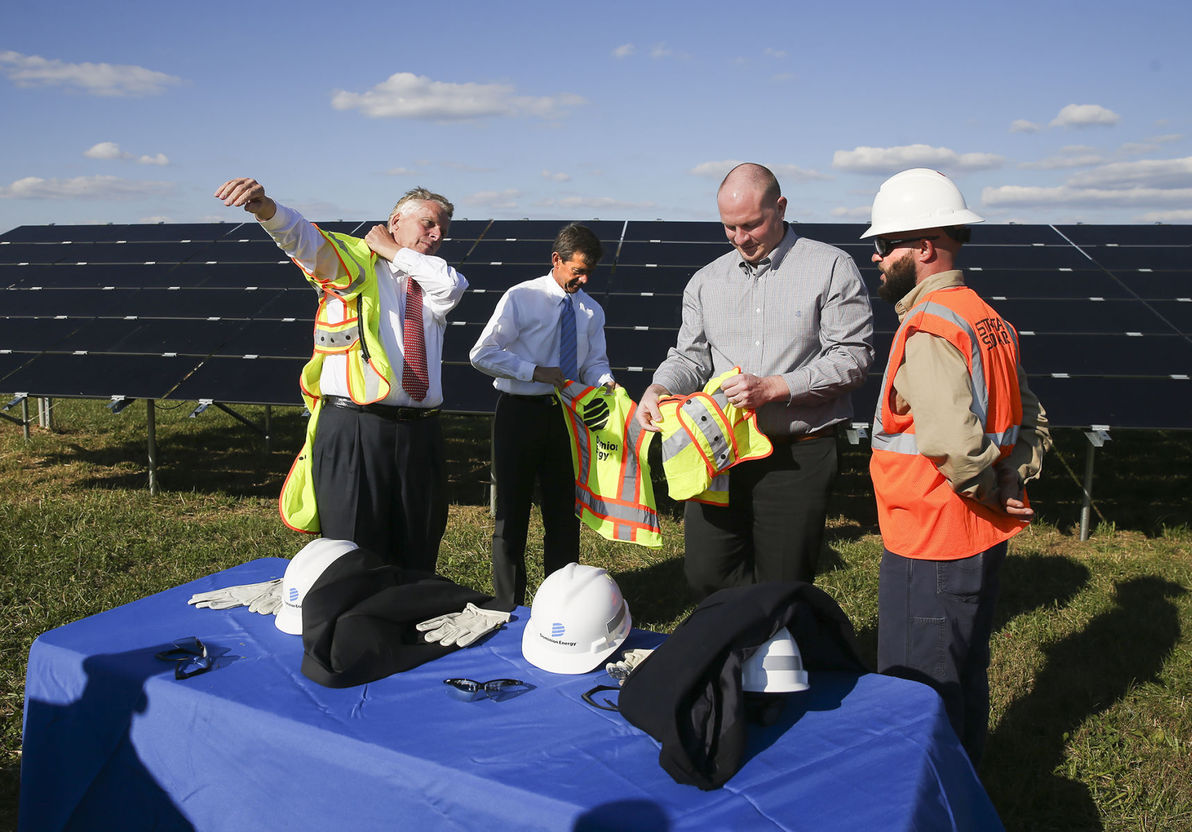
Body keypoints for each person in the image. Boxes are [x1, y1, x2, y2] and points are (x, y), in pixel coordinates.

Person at [863, 167, 1051, 767]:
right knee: (964, 668)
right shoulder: (988, 318)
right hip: (976, 537)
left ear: (923, 248)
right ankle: (969, 786)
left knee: (919, 684)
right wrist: (1013, 478)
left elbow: (952, 443)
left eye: (885, 245)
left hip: (932, 538)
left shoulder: (928, 329)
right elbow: (1033, 422)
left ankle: (930, 798)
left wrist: (991, 489)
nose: (875, 257)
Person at [635, 163, 874, 597]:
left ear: (780, 208)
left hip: (796, 454)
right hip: (718, 454)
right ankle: (739, 647)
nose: (741, 239)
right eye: (729, 227)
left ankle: (776, 651)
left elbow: (853, 358)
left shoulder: (831, 267)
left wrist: (773, 388)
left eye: (752, 225)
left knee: (782, 583)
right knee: (707, 574)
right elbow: (689, 357)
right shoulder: (706, 281)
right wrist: (659, 387)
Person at [214, 177, 467, 572]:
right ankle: (350, 625)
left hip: (420, 431)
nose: (436, 236)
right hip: (356, 425)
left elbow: (452, 287)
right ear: (396, 218)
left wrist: (393, 250)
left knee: (420, 539)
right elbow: (303, 240)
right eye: (429, 225)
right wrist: (267, 209)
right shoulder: (350, 259)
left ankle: (407, 617)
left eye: (443, 231)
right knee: (354, 545)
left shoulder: (430, 275)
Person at [469, 224, 615, 609]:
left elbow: (596, 361)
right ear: (557, 260)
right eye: (577, 271)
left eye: (588, 274)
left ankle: (559, 603)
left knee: (563, 515)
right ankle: (507, 606)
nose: (582, 280)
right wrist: (532, 371)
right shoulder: (522, 298)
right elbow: (482, 353)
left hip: (566, 418)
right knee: (512, 513)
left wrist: (605, 380)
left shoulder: (590, 310)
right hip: (520, 413)